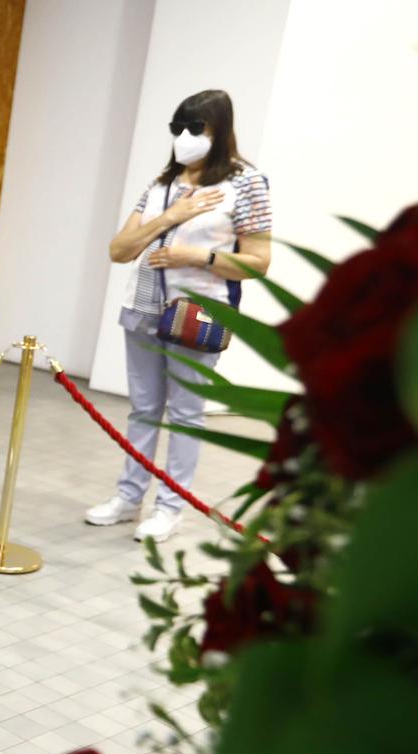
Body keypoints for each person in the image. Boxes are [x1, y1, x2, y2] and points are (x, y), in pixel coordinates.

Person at [92, 89, 271, 542]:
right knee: (144, 409)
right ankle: (129, 498)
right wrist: (170, 216)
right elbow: (119, 250)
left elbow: (259, 262)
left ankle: (170, 507)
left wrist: (195, 256)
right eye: (178, 129)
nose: (185, 138)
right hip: (143, 307)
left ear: (220, 131)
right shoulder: (160, 185)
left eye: (197, 129)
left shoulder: (247, 184)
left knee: (186, 413)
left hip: (197, 313)